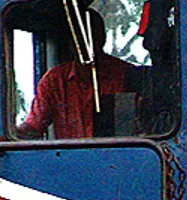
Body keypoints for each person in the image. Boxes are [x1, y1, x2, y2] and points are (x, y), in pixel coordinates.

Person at [16, 9, 134, 138]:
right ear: (70, 40)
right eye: (78, 36)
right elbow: (34, 126)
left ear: (102, 38)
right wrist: (10, 134)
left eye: (90, 35)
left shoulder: (126, 74)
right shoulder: (54, 80)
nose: (84, 43)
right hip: (70, 157)